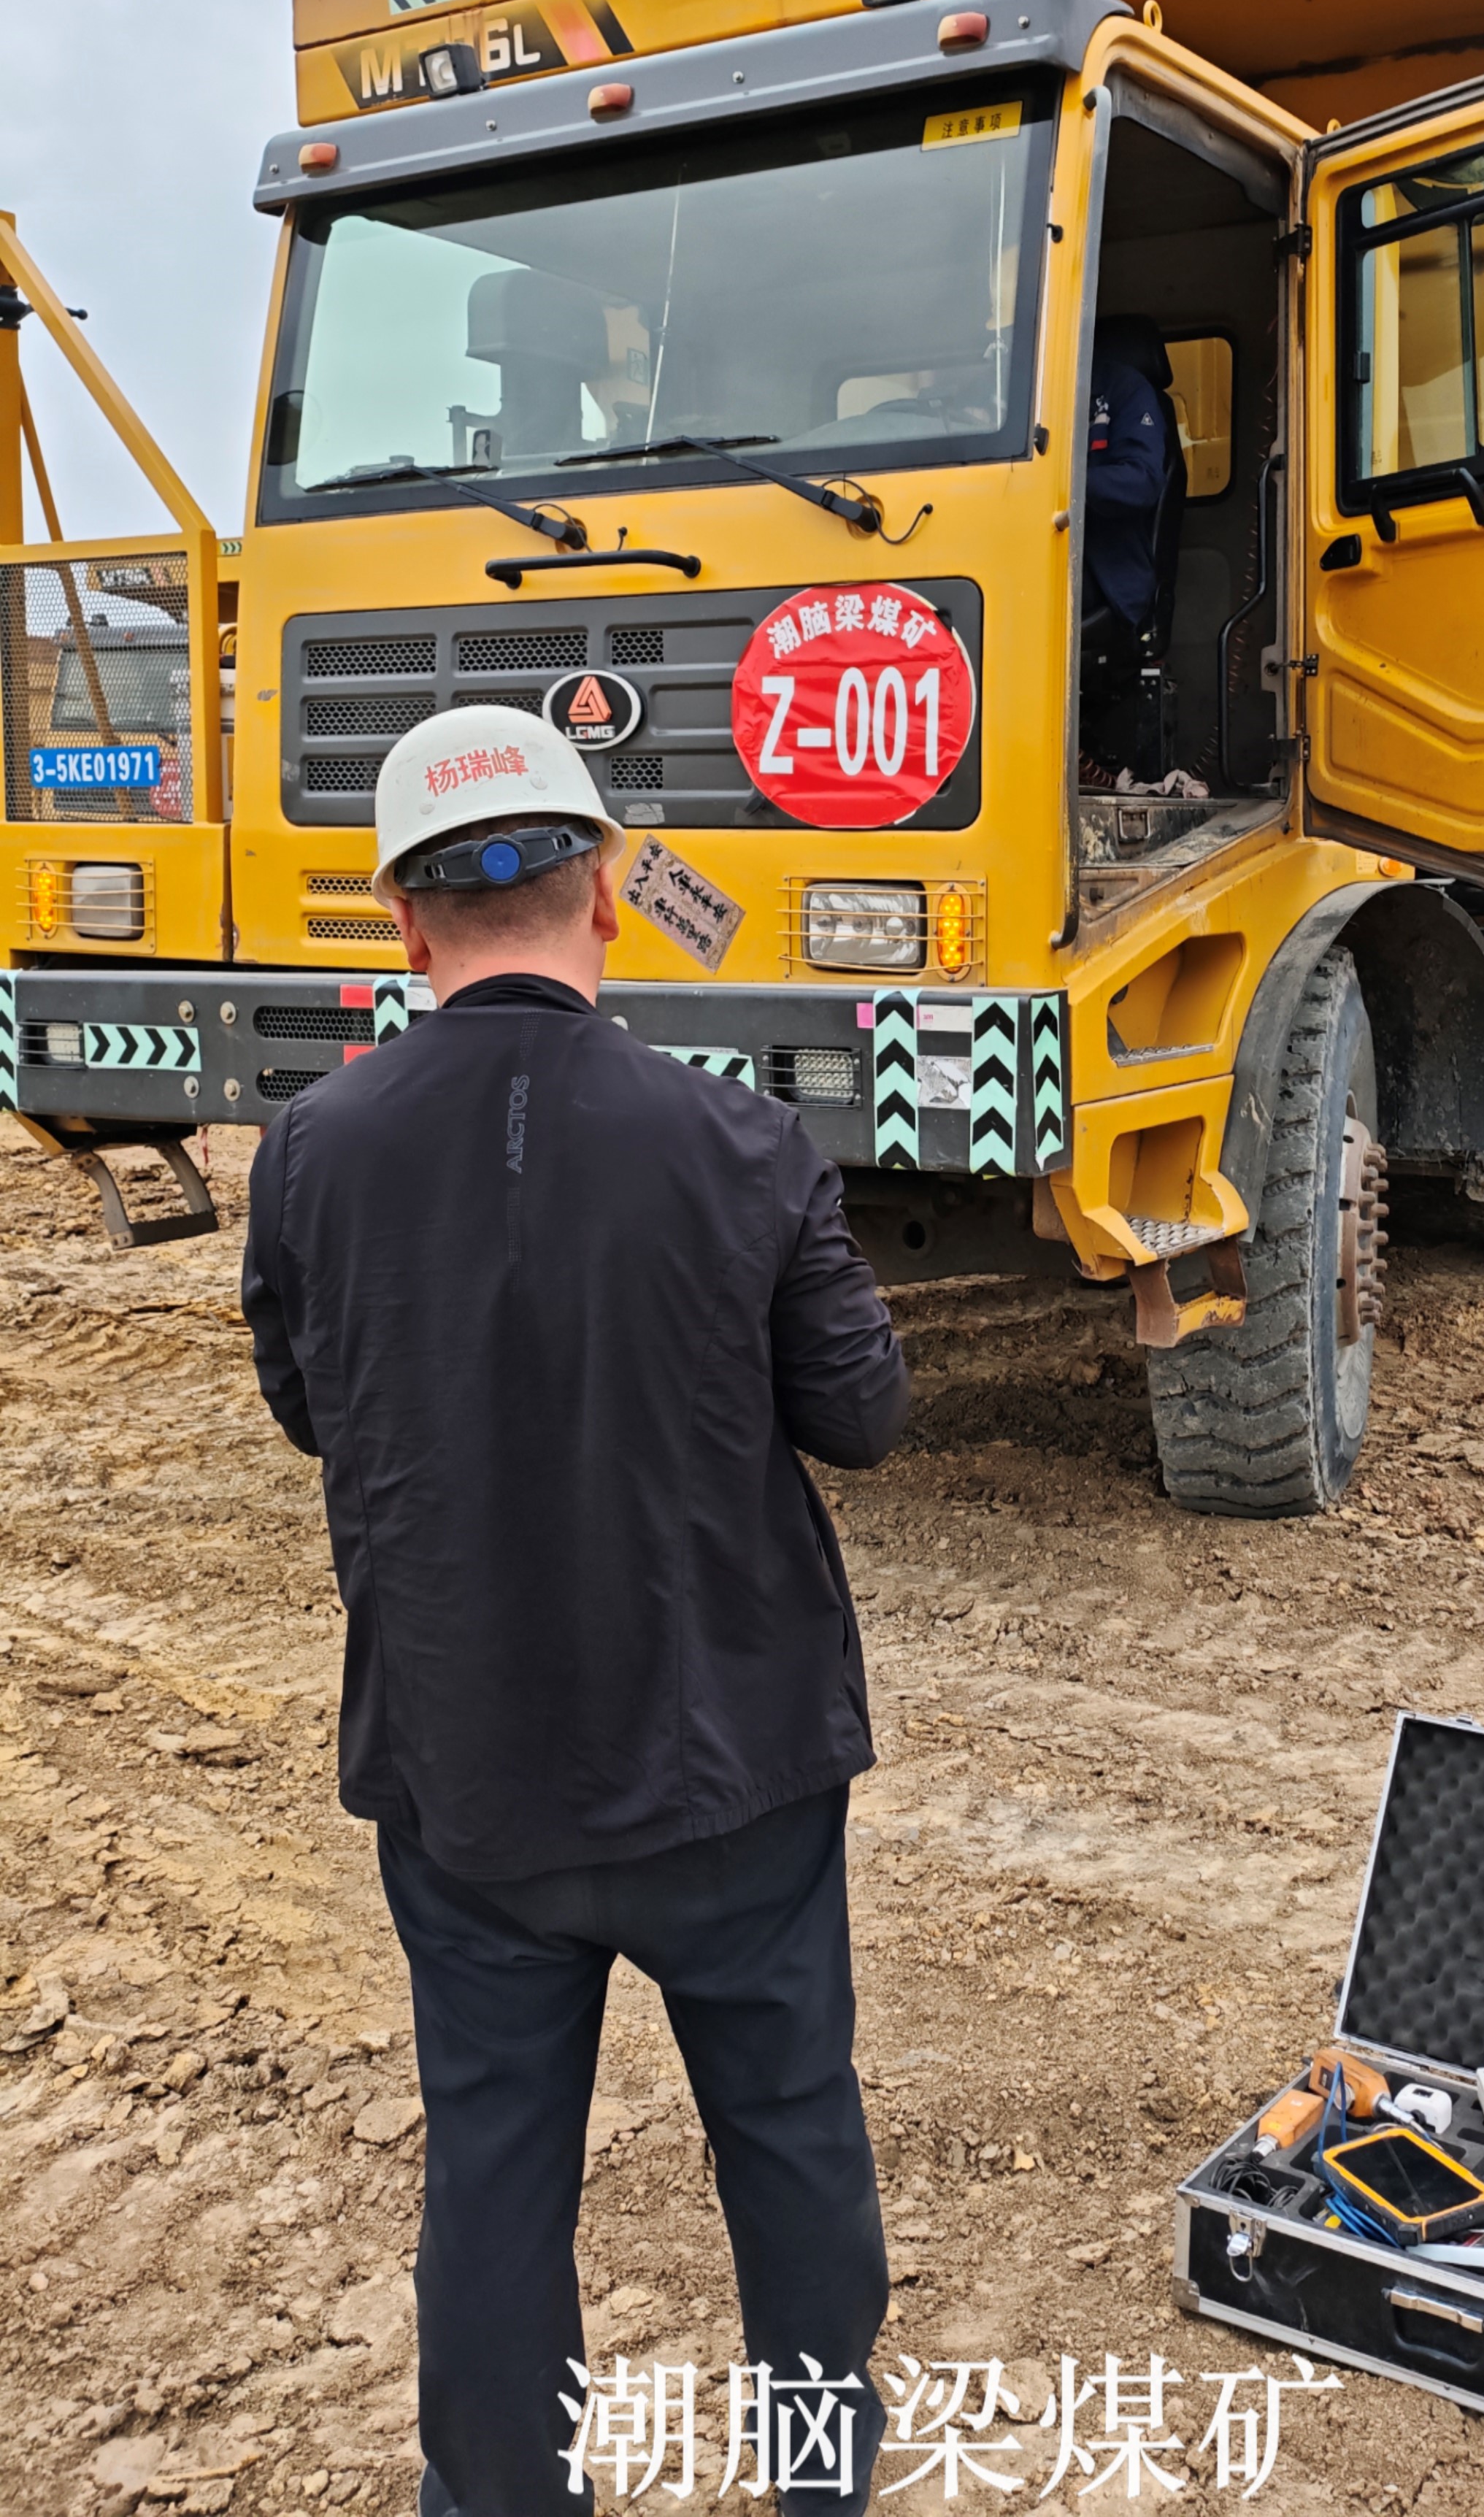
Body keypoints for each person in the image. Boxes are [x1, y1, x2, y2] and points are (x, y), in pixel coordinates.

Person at [242, 706, 910, 2517]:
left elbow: (313, 1405)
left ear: (405, 924)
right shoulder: (744, 1142)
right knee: (788, 2141)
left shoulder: (310, 1152)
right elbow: (860, 1415)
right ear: (605, 891)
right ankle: (818, 2484)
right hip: (734, 1763)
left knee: (495, 2171)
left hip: (467, 1776)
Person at [1079, 318, 1185, 779]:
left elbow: (1142, 481)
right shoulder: (1022, 393)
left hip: (1108, 573)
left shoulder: (1124, 390)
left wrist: (1062, 483)